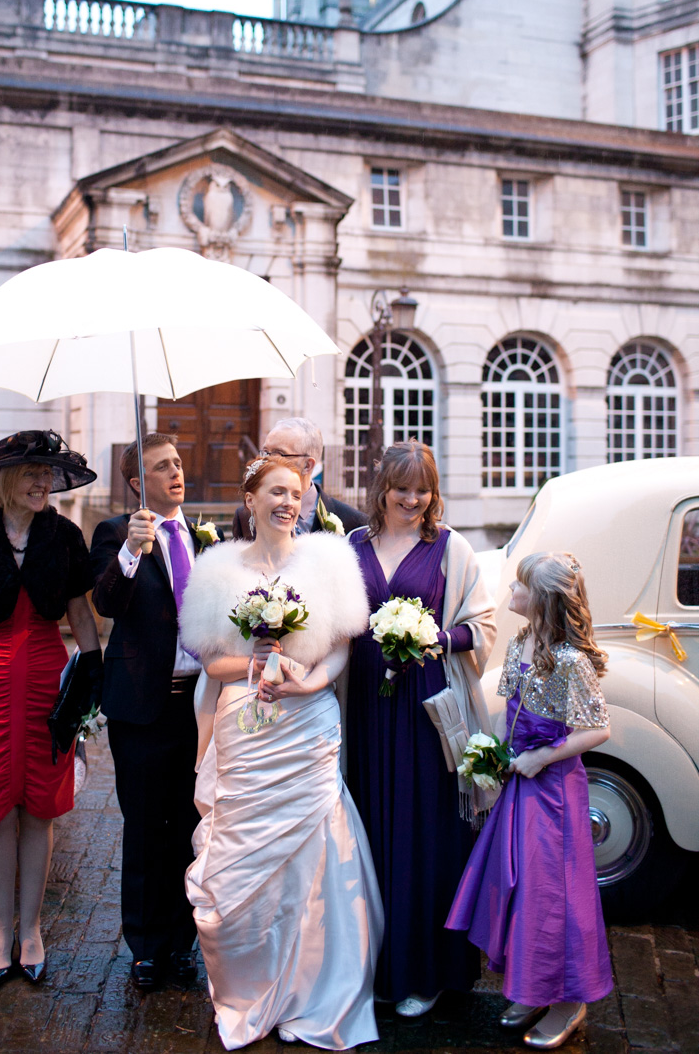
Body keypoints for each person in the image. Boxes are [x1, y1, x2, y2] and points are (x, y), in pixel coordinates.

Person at [179, 455, 383, 1050]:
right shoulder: (217, 568)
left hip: (308, 723)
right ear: (250, 500)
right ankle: (251, 987)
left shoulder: (330, 558)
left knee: (314, 858)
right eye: (275, 491)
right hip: (247, 724)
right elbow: (208, 657)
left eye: (296, 492)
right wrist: (252, 661)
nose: (288, 502)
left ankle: (315, 987)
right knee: (242, 860)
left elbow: (344, 644)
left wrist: (310, 682)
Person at [0, 429, 101, 988]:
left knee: (39, 807)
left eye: (47, 473)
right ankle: (0, 933)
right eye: (32, 472)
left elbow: (81, 616)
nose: (43, 481)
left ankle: (31, 930)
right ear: (5, 481)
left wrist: (91, 676)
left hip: (45, 683)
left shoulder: (65, 536)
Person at [344, 439, 496, 1017]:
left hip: (426, 711)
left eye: (422, 489)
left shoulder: (450, 548)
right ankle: (376, 967)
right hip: (365, 707)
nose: (412, 499)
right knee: (371, 829)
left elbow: (482, 626)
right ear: (380, 488)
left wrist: (439, 638)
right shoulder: (352, 546)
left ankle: (428, 970)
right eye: (401, 488)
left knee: (425, 832)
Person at [446, 552, 613, 1049]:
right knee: (516, 886)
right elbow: (509, 709)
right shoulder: (523, 641)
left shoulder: (570, 660)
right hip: (519, 786)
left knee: (554, 895)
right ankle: (533, 985)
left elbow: (598, 729)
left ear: (540, 600)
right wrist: (493, 753)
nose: (510, 594)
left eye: (519, 588)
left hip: (554, 792)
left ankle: (568, 1000)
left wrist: (542, 758)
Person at [90, 433, 222, 992]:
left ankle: (183, 941)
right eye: (162, 467)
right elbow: (106, 604)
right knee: (146, 826)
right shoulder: (116, 534)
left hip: (198, 706)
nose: (176, 473)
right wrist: (130, 553)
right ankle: (145, 947)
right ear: (137, 482)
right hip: (142, 704)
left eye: (177, 463)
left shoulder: (203, 536)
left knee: (191, 824)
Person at [232, 417, 365, 540]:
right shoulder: (245, 516)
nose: (267, 461)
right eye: (265, 452)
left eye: (279, 454)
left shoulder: (353, 522)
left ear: (307, 465)